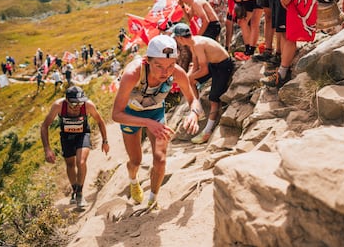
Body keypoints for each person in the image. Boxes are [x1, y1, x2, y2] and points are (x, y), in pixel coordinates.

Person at [112, 34, 202, 211]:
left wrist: (194, 114)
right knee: (136, 161)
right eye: (158, 65)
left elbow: (194, 100)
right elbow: (116, 114)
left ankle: (152, 201)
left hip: (155, 113)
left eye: (170, 65)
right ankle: (133, 180)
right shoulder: (132, 74)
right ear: (147, 60)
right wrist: (146, 123)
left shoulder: (177, 72)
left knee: (160, 160)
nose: (164, 72)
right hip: (132, 114)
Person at [40, 86, 109, 208]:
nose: (77, 106)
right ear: (66, 100)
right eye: (73, 103)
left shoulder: (88, 105)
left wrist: (105, 140)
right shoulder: (58, 106)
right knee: (70, 164)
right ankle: (74, 189)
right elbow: (44, 126)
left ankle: (80, 194)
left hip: (82, 135)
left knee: (81, 161)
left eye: (80, 102)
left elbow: (100, 121)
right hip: (66, 137)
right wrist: (47, 149)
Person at [172, 23, 235, 144]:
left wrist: (187, 78)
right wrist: (187, 77)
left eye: (176, 38)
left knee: (214, 99)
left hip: (223, 65)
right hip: (214, 64)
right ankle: (198, 109)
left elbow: (204, 70)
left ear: (180, 38)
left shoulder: (198, 44)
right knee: (190, 80)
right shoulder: (193, 43)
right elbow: (196, 66)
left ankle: (208, 130)